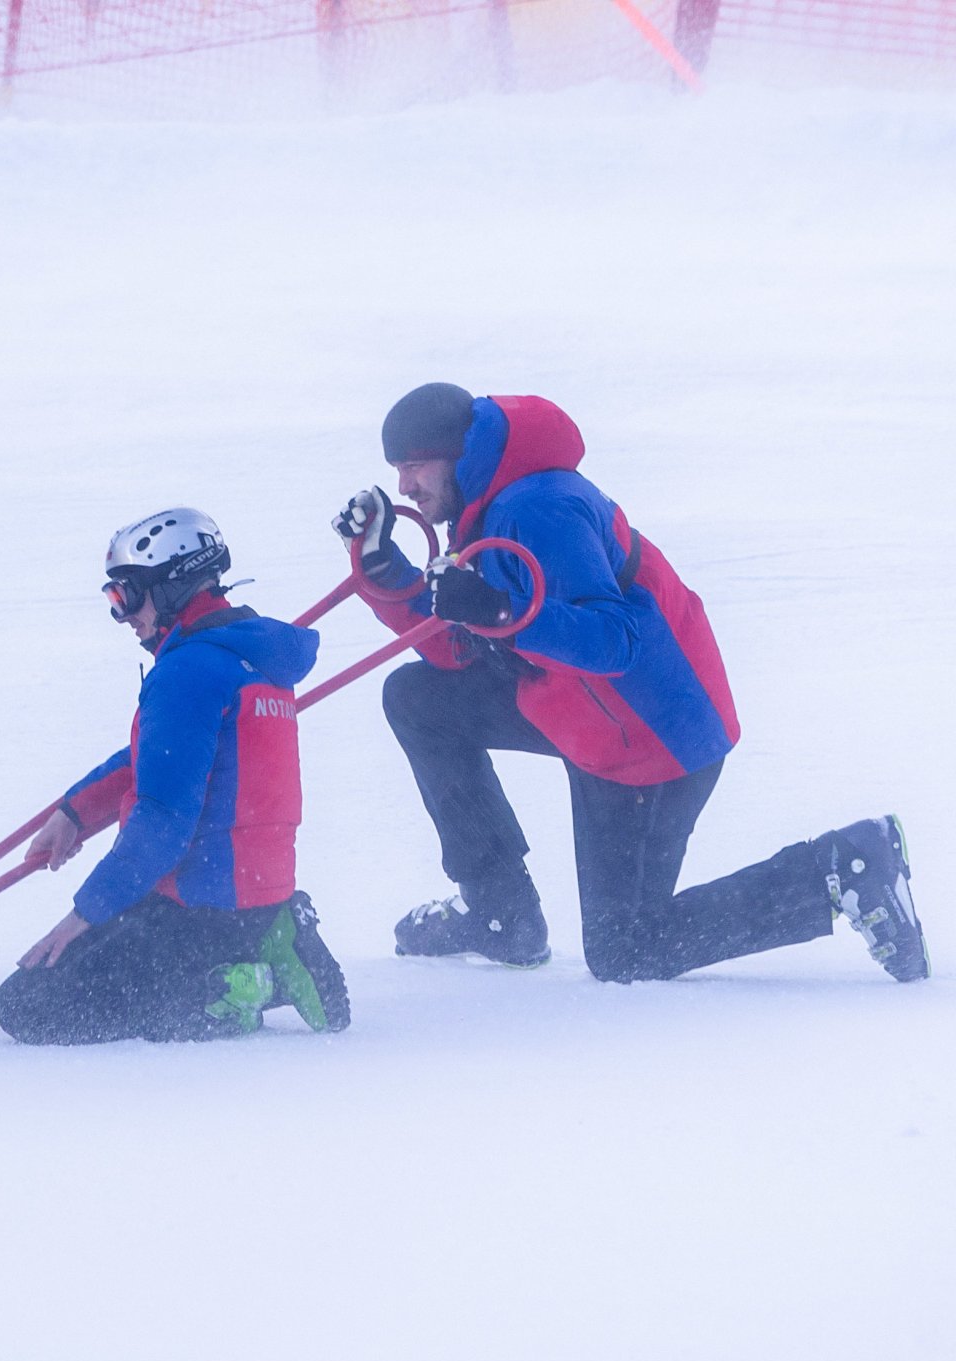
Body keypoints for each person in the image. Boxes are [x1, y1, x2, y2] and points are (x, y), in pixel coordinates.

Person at [338, 382, 927, 981]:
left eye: (415, 467)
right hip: (583, 713)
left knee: (627, 951)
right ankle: (499, 913)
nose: (406, 486)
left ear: (458, 458)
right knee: (419, 698)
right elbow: (461, 648)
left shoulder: (537, 508)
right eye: (398, 471)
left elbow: (614, 640)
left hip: (651, 738)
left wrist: (496, 611)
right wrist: (385, 568)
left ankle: (847, 864)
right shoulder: (485, 506)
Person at [0, 509, 351, 1045]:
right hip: (250, 895)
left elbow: (162, 823)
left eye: (128, 596)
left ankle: (239, 986)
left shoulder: (187, 670)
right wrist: (75, 812)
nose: (123, 616)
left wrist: (81, 916)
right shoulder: (245, 656)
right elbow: (159, 757)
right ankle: (273, 933)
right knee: (78, 972)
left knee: (28, 1004)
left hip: (198, 908)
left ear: (174, 584)